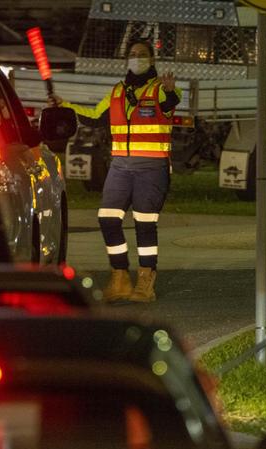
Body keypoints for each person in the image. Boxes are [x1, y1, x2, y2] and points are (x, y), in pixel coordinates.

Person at [49, 39, 181, 303]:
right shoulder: (117, 91)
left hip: (151, 169)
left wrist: (170, 91)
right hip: (120, 166)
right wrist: (66, 106)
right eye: (132, 54)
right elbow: (95, 116)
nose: (136, 58)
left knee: (144, 224)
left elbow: (169, 105)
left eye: (142, 55)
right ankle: (119, 277)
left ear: (152, 60)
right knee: (108, 219)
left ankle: (146, 281)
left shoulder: (160, 90)